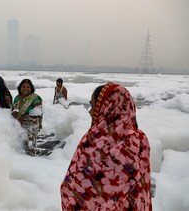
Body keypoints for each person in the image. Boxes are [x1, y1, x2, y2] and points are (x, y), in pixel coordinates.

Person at [61, 82, 152, 210]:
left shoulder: (96, 140)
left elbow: (77, 186)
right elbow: (142, 188)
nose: (90, 112)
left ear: (106, 108)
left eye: (93, 106)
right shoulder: (140, 139)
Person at [12, 79, 43, 156]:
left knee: (30, 144)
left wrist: (24, 117)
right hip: (19, 124)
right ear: (20, 88)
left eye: (28, 87)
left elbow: (38, 111)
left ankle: (31, 161)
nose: (25, 89)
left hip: (31, 125)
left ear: (31, 88)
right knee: (20, 144)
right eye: (23, 87)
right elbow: (14, 108)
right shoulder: (16, 98)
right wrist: (15, 113)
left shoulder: (34, 98)